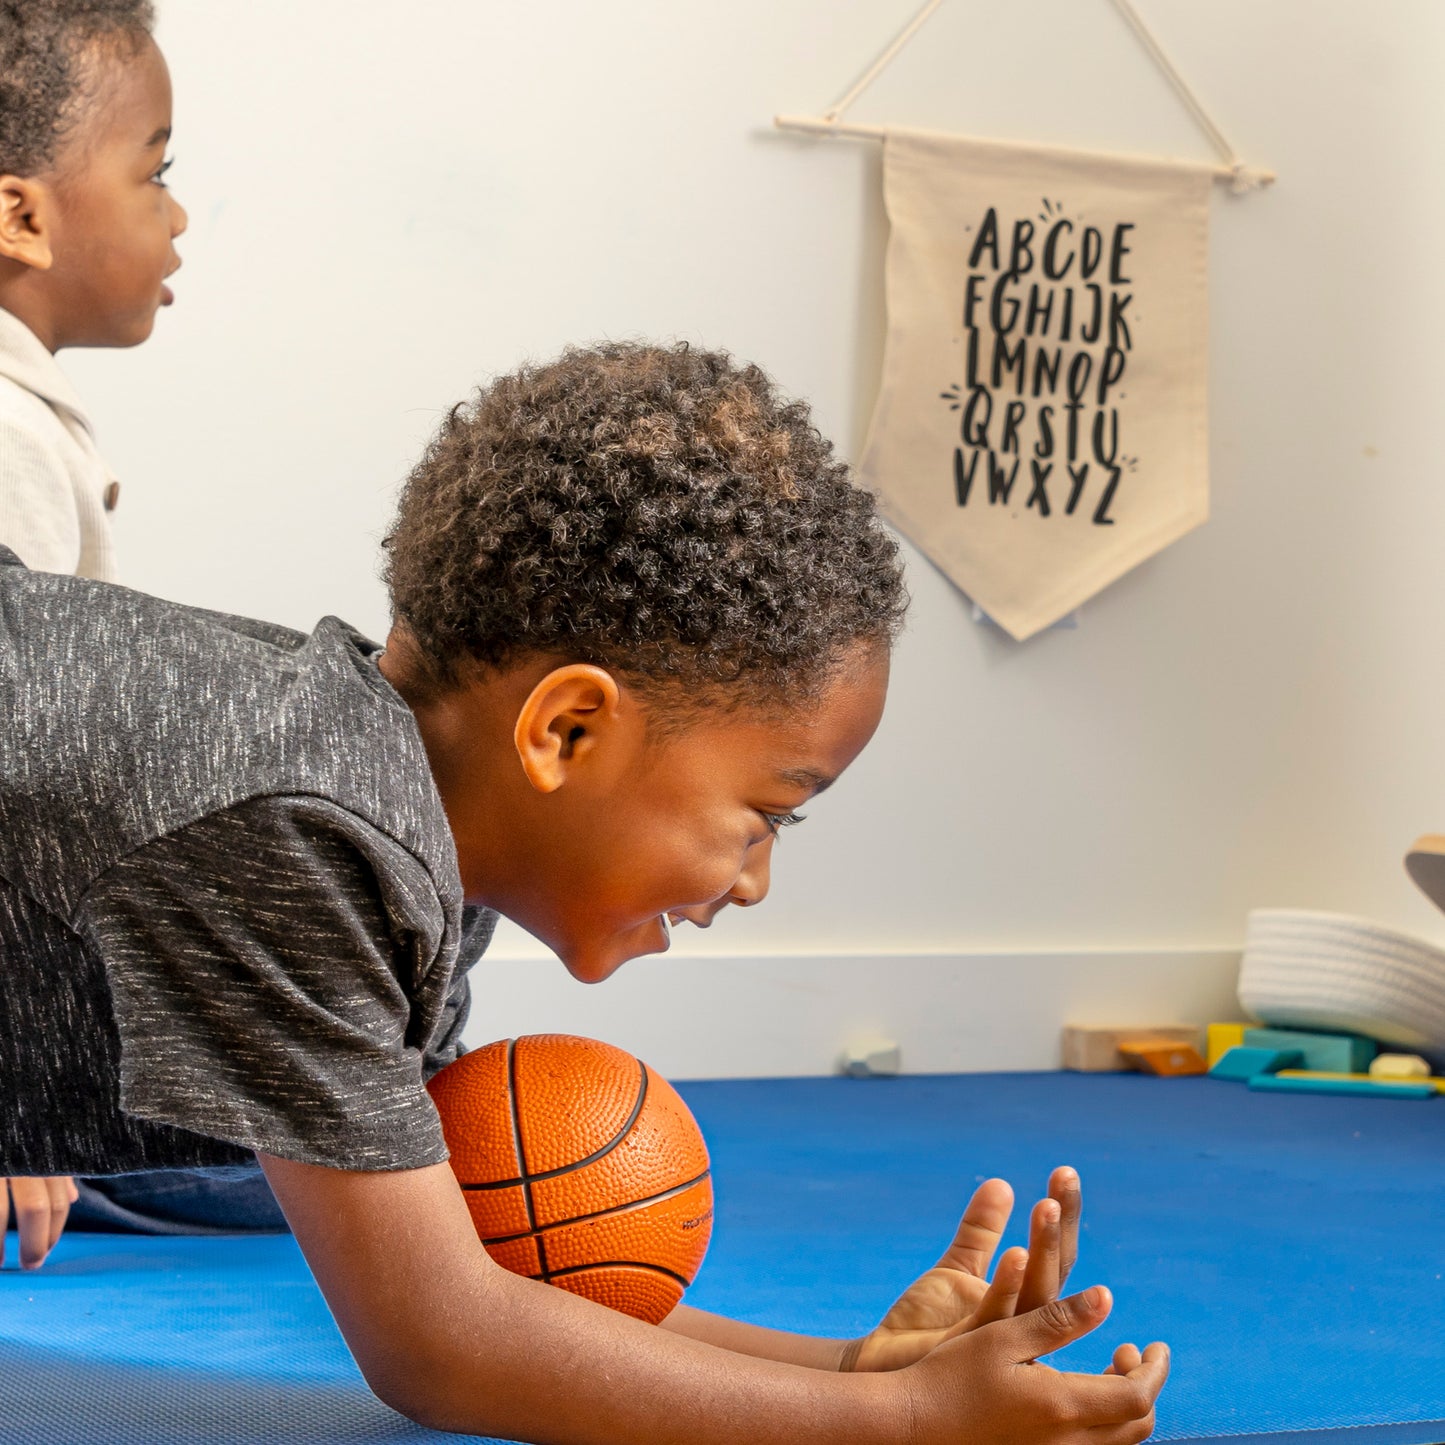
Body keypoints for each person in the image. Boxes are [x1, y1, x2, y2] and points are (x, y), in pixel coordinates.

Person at [0, 342, 1168, 1444]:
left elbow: (481, 1265)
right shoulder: (298, 832)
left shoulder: (404, 844)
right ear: (565, 729)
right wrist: (904, 1421)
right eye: (765, 812)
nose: (754, 880)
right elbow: (440, 1343)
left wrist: (854, 1368)